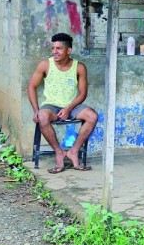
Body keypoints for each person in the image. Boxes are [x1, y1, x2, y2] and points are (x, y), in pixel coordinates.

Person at [27, 33, 98, 174]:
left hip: (73, 106)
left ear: (68, 50)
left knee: (92, 116)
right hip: (51, 106)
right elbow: (31, 87)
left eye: (59, 48)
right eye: (53, 48)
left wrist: (68, 108)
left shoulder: (79, 67)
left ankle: (74, 151)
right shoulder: (45, 65)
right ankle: (59, 152)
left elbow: (82, 94)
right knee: (42, 117)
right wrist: (36, 110)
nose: (54, 52)